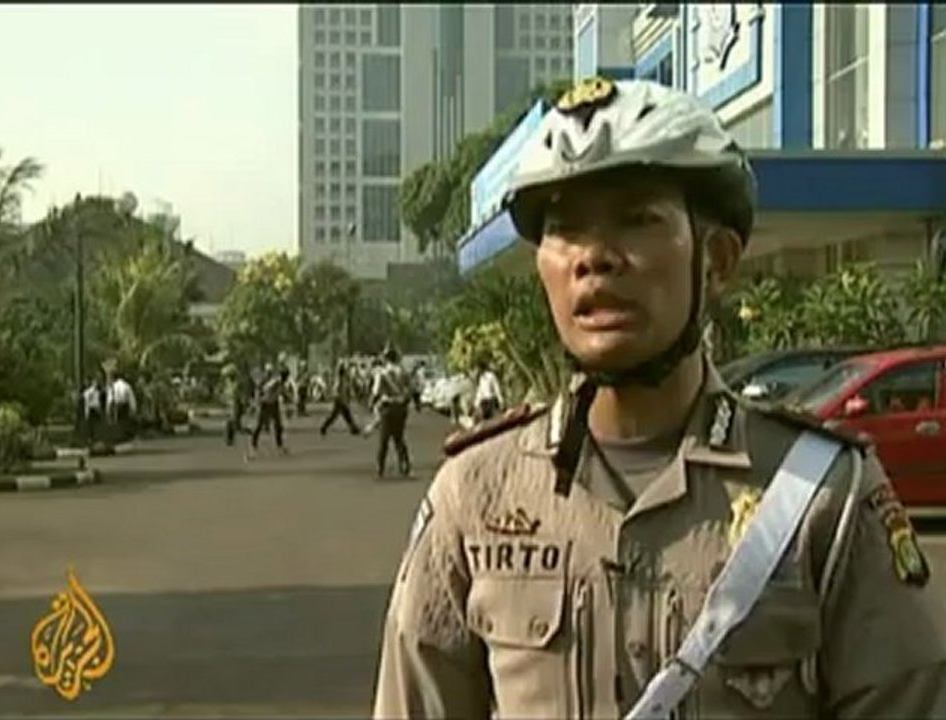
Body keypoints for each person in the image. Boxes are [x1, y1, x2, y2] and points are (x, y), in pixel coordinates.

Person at [372, 77, 946, 719]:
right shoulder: (476, 495)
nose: (594, 256)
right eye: (565, 229)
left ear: (718, 260)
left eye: (638, 219)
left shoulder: (823, 496)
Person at [370, 343, 412, 478]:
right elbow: (410, 390)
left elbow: (376, 392)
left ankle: (380, 466)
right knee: (399, 438)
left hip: (387, 407)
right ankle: (404, 464)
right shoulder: (404, 372)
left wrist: (371, 404)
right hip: (401, 408)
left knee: (384, 438)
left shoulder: (382, 373)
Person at [246, 365, 290, 459]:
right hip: (265, 404)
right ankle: (253, 446)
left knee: (278, 425)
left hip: (274, 404)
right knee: (259, 425)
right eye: (285, 376)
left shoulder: (281, 383)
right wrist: (256, 403)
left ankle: (280, 445)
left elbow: (283, 392)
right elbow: (263, 389)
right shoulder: (275, 382)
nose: (286, 378)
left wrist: (287, 399)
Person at [321, 361, 361, 436]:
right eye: (346, 369)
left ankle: (353, 428)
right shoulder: (340, 379)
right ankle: (353, 428)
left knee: (344, 415)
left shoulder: (344, 378)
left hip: (342, 399)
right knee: (339, 415)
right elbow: (336, 388)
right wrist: (338, 396)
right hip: (339, 399)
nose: (347, 371)